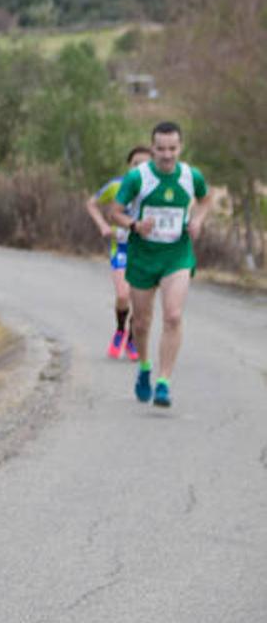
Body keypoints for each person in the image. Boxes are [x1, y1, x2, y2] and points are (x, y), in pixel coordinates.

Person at [105, 121, 210, 408]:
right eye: (161, 149)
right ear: (153, 148)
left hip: (177, 255)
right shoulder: (138, 178)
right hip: (143, 256)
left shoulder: (191, 176)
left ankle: (163, 382)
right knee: (141, 321)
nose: (167, 155)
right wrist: (135, 224)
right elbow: (114, 212)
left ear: (180, 147)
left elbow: (205, 199)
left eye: (172, 148)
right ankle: (145, 369)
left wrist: (198, 220)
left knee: (173, 315)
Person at [85, 146, 151, 361]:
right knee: (123, 295)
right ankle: (120, 329)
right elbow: (92, 203)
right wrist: (103, 225)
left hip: (146, 250)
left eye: (145, 164)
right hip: (121, 247)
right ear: (128, 166)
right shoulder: (116, 186)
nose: (140, 168)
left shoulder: (154, 189)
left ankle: (132, 339)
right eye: (135, 164)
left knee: (139, 302)